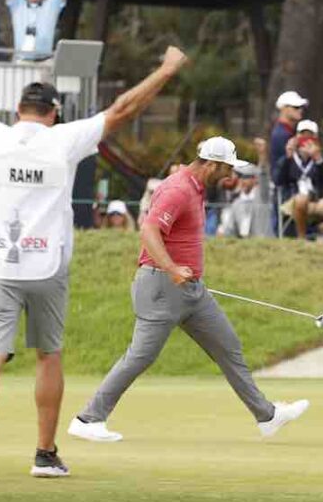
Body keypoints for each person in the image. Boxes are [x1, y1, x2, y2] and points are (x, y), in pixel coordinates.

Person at [0, 24, 187, 480]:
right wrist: (166, 69)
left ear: (18, 111)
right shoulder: (64, 138)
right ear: (53, 113)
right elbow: (124, 108)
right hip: (46, 265)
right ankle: (44, 455)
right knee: (48, 354)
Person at [70, 136, 309, 443]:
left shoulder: (194, 186)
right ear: (211, 164)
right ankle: (88, 419)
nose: (230, 174)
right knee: (140, 356)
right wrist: (171, 268)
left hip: (191, 291)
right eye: (226, 168)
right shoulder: (179, 189)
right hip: (162, 285)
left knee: (228, 346)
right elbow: (149, 230)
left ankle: (267, 416)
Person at [274, 119, 323, 239]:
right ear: (296, 137)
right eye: (303, 135)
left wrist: (318, 159)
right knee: (301, 199)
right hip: (292, 201)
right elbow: (278, 180)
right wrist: (288, 158)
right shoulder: (288, 159)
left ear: (315, 138)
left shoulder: (321, 159)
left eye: (310, 136)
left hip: (317, 201)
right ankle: (302, 237)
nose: (306, 139)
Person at [268, 90, 308, 235]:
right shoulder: (281, 135)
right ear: (284, 109)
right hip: (286, 192)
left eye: (301, 107)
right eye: (296, 107)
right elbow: (281, 172)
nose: (300, 110)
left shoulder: (288, 132)